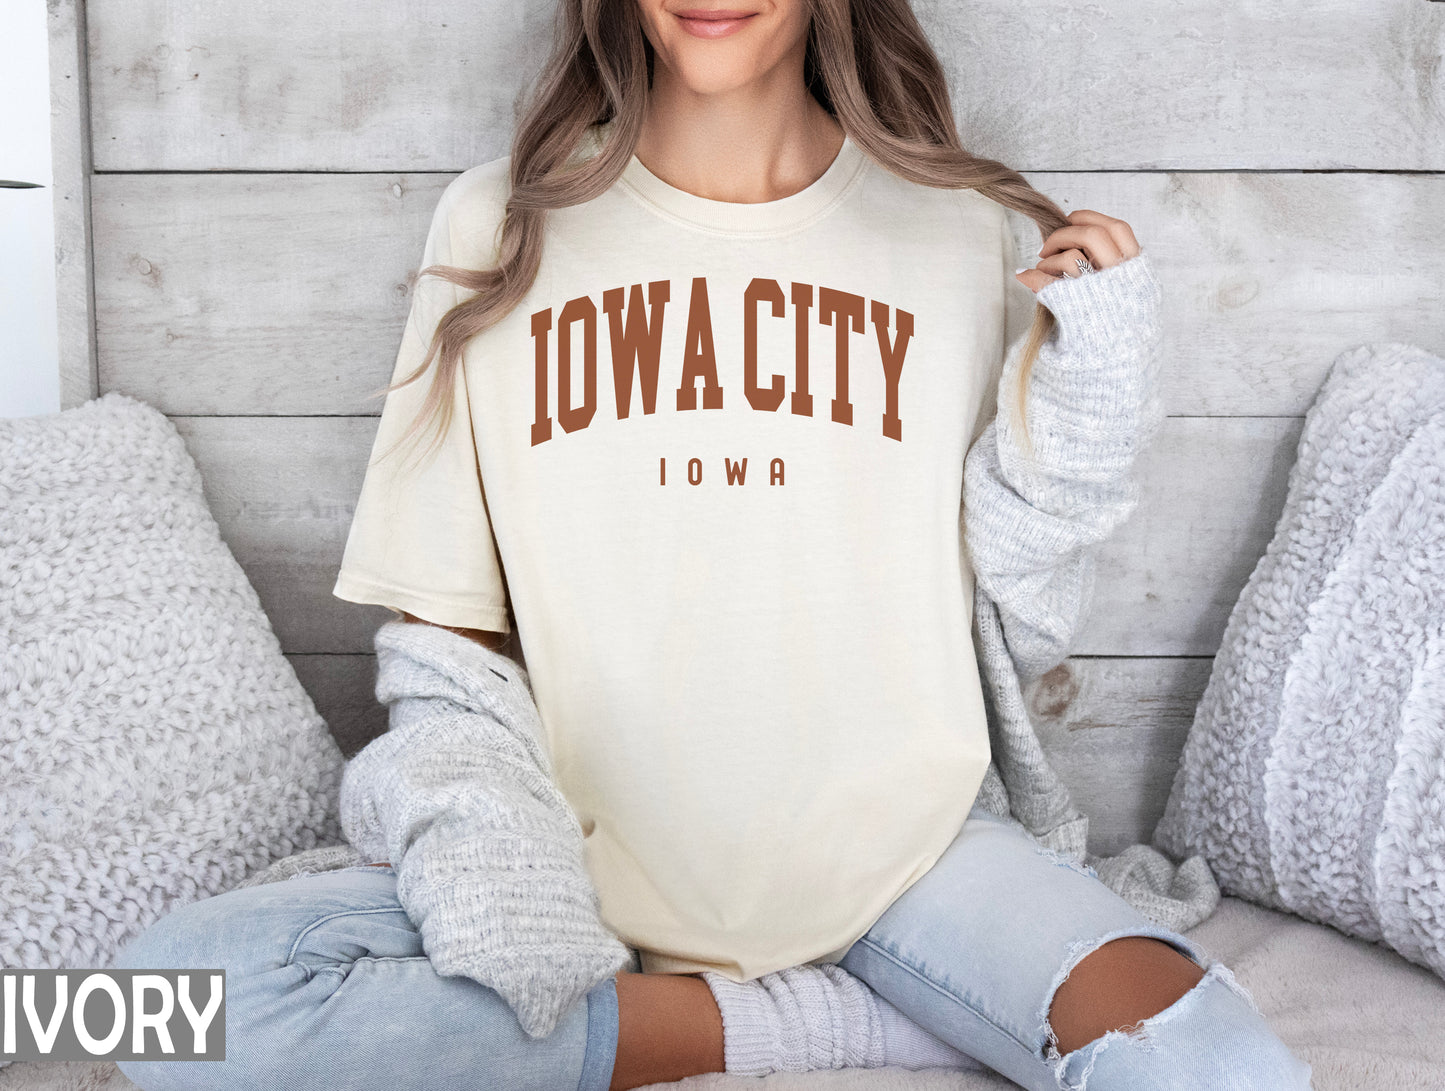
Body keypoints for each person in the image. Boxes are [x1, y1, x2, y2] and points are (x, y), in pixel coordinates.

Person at [113, 1, 1315, 1089]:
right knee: (133, 1014)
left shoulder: (967, 229)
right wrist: (493, 872)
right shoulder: (499, 223)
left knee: (1221, 1066)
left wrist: (1094, 405)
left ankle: (819, 997)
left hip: (909, 863)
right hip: (578, 866)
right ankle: (824, 1019)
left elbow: (1020, 586)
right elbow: (444, 631)